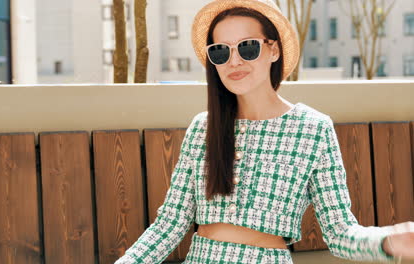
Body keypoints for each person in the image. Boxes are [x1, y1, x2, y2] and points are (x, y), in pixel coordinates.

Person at [115, 0, 414, 263]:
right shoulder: (203, 128)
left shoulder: (313, 128)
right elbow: (170, 225)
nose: (235, 60)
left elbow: (339, 233)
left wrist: (387, 241)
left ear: (273, 50)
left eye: (247, 46)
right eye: (221, 51)